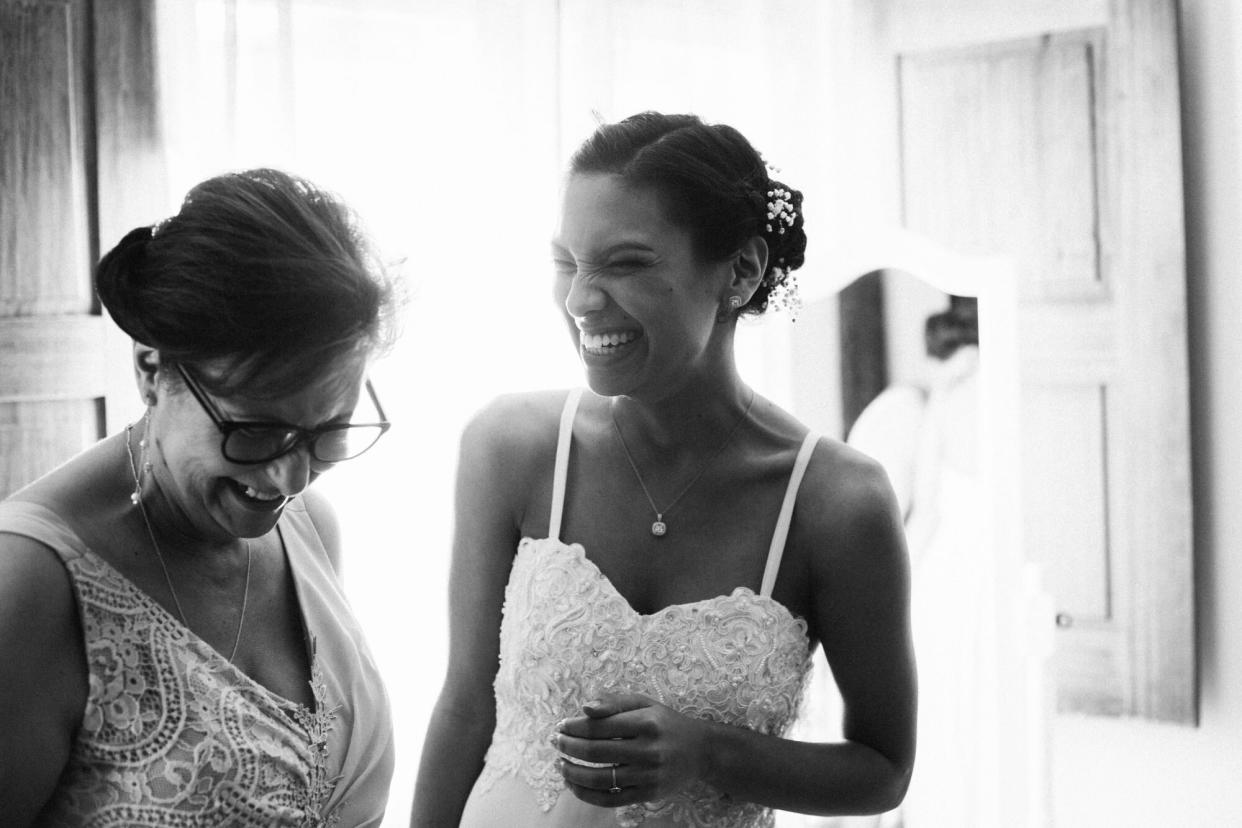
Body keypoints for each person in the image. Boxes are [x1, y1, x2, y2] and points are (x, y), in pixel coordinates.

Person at [412, 112, 916, 827]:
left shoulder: (837, 504)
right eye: (567, 262)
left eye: (625, 263)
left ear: (740, 271)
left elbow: (883, 770)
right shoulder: (512, 447)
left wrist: (712, 753)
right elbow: (464, 709)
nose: (581, 300)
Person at [0, 169, 398, 826]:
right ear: (151, 369)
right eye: (255, 430)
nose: (291, 479)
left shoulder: (308, 528)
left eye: (329, 428)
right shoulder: (32, 584)